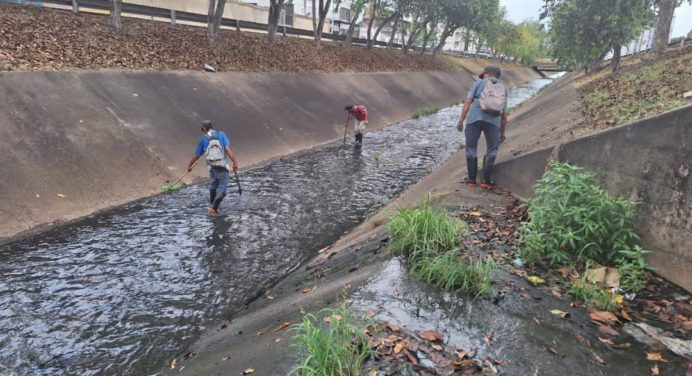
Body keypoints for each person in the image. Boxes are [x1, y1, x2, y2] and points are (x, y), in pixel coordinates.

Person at [456, 65, 508, 189]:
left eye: (484, 74)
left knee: (471, 149)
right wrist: (502, 133)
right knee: (492, 150)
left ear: (487, 74)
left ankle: (472, 181)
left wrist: (461, 120)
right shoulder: (503, 88)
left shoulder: (478, 84)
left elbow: (468, 102)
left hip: (474, 120)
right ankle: (485, 182)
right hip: (493, 123)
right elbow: (504, 115)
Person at [187, 120, 239, 215]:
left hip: (212, 168)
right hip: (223, 167)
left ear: (204, 129)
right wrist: (234, 162)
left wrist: (190, 166)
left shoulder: (203, 139)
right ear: (212, 127)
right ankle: (214, 208)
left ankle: (211, 204)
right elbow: (228, 149)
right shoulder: (222, 134)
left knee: (213, 186)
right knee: (222, 189)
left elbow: (196, 155)